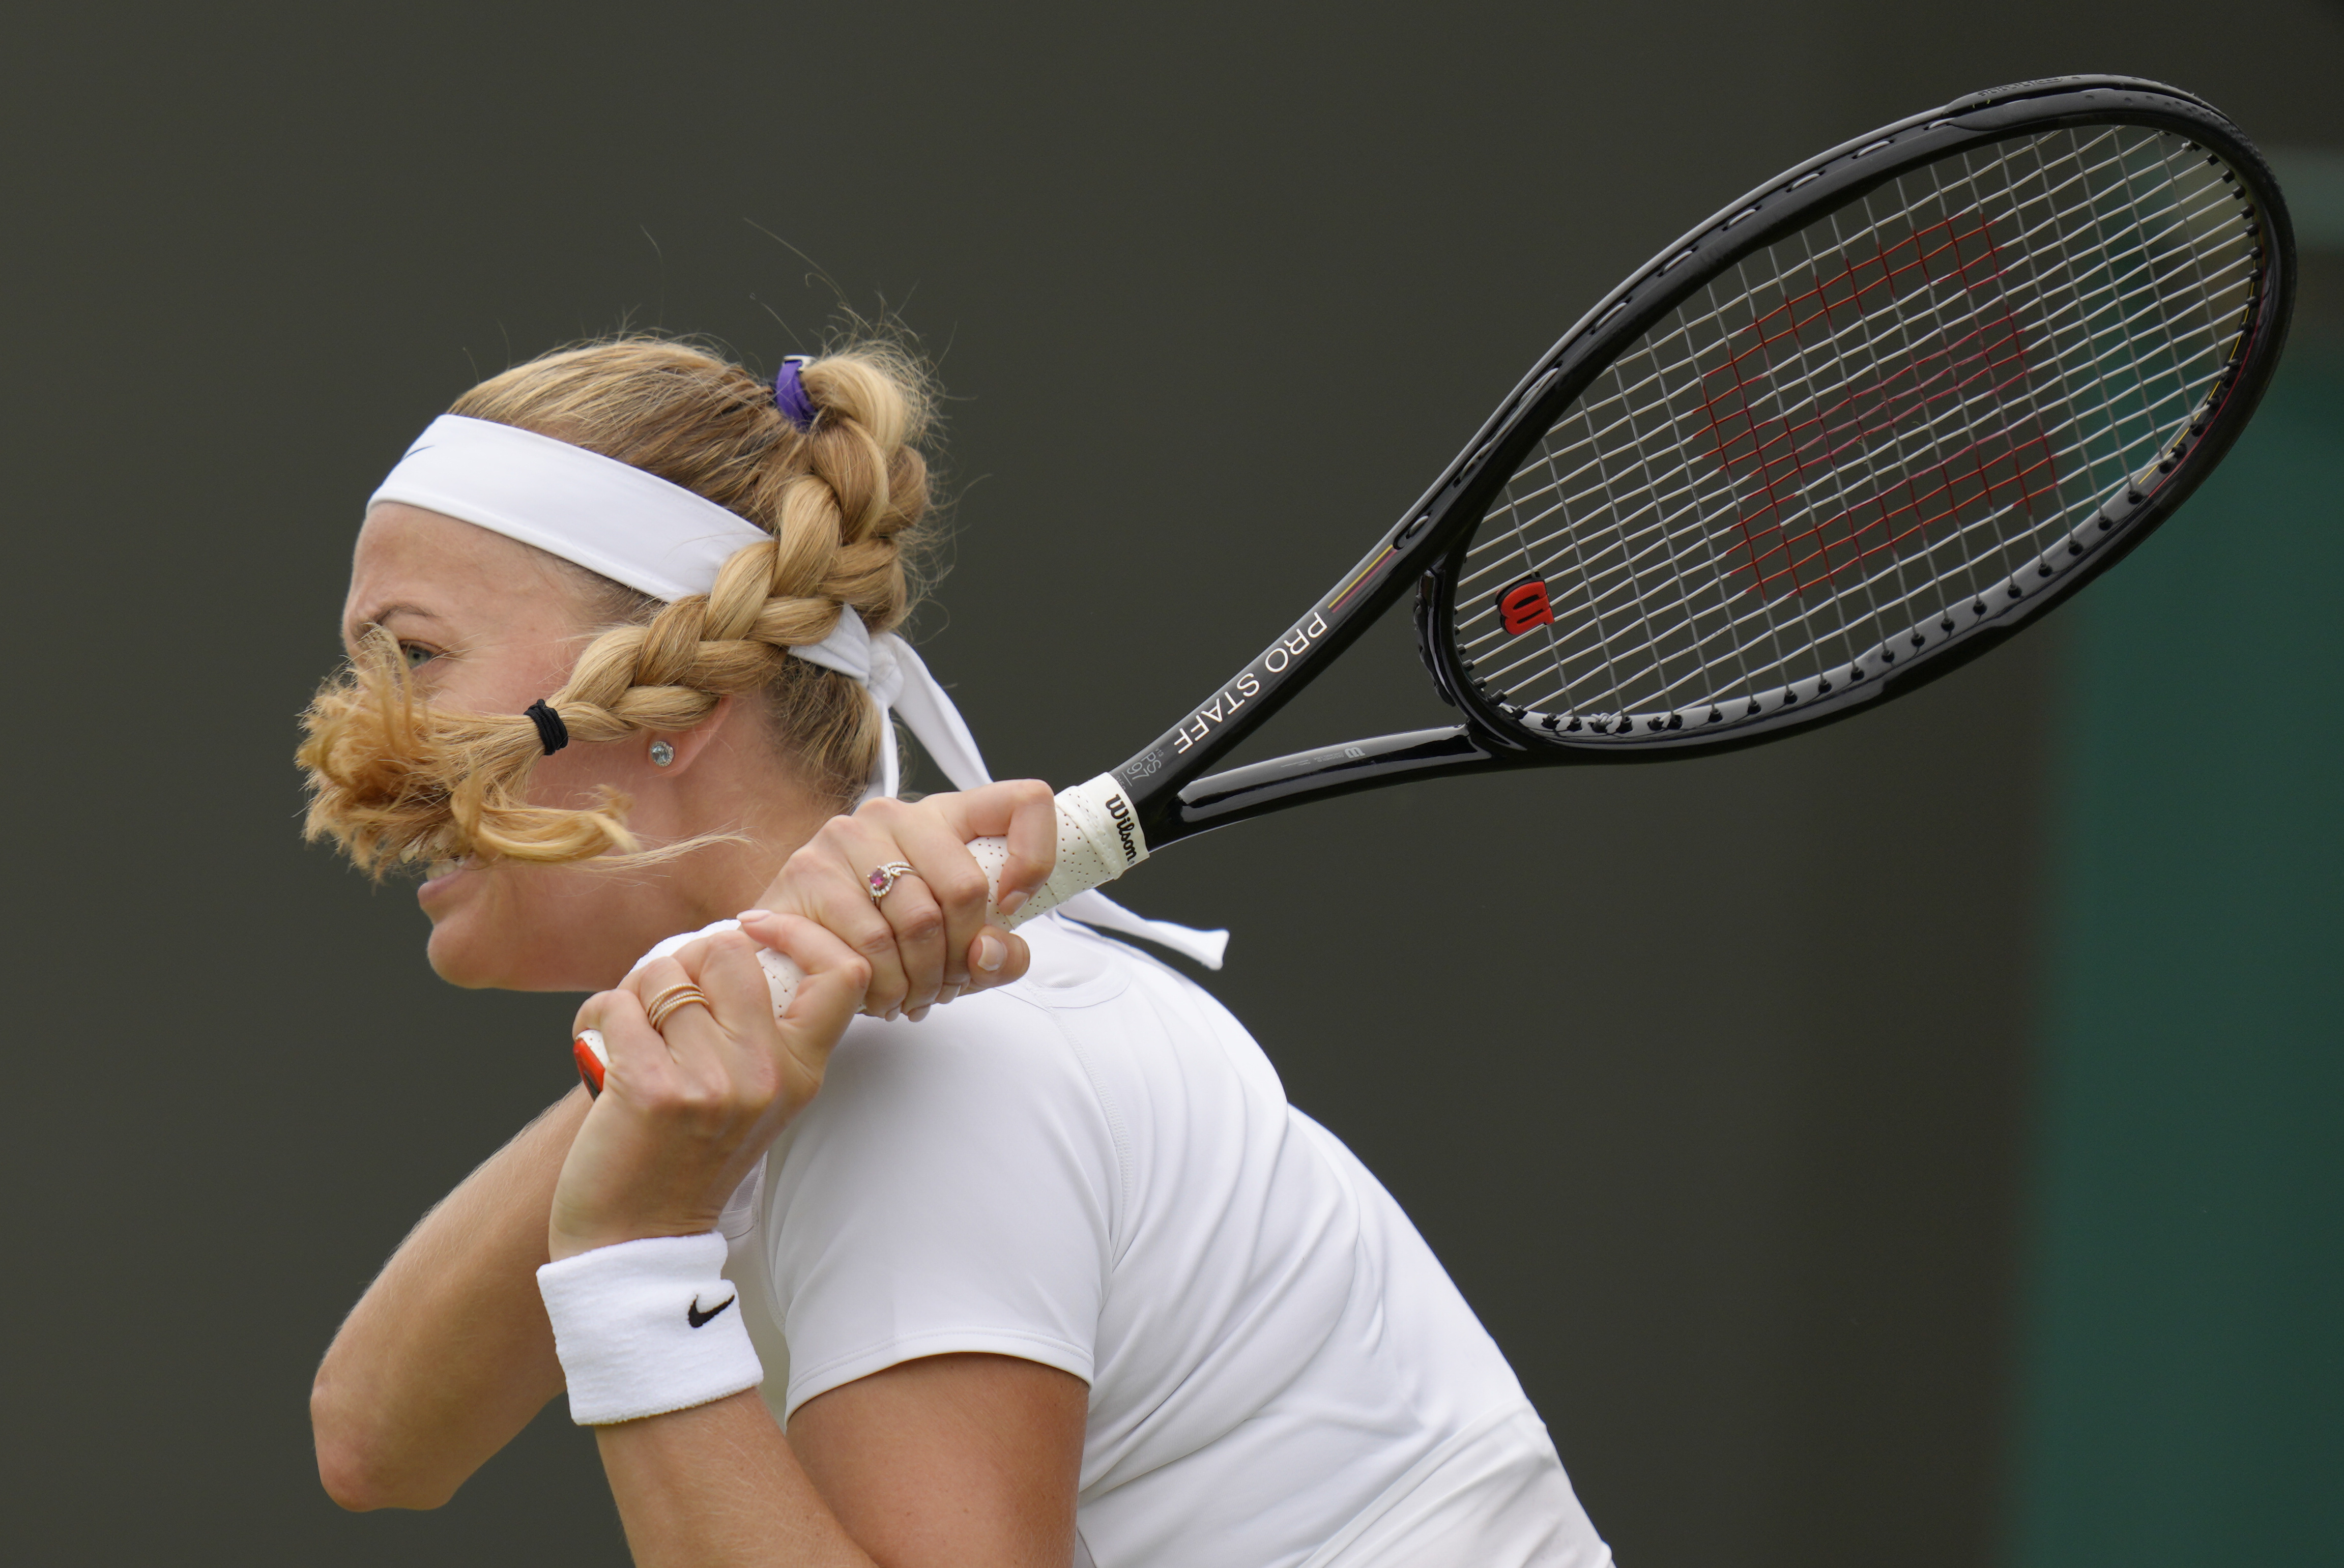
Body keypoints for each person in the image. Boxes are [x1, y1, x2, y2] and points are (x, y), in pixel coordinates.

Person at [300, 334, 1612, 1568]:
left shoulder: (938, 1072)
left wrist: (633, 1259)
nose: (366, 732)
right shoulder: (799, 1044)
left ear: (674, 705)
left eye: (413, 656)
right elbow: (374, 1442)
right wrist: (639, 1104)